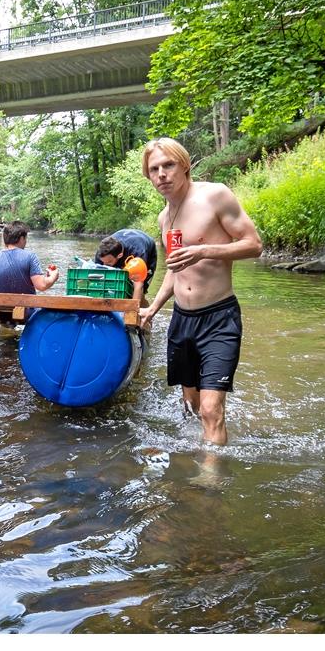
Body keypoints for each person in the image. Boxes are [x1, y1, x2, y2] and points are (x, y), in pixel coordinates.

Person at [137, 137, 262, 446]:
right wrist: (152, 309)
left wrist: (204, 250)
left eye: (169, 165)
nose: (162, 174)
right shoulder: (164, 216)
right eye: (154, 169)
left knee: (210, 409)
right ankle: (197, 451)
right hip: (182, 322)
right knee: (191, 406)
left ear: (185, 166)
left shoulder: (215, 196)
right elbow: (175, 270)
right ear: (148, 175)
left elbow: (254, 245)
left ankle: (209, 484)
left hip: (218, 316)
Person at [0, 221, 58, 305]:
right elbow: (42, 285)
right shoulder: (30, 257)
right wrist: (53, 277)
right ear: (22, 238)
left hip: (2, 311)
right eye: (25, 238)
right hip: (27, 311)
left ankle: (4, 323)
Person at [95, 228, 158, 306]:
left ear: (120, 255)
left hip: (145, 250)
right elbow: (97, 279)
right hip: (123, 242)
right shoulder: (102, 253)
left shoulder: (138, 251)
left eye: (108, 263)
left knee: (136, 290)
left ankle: (145, 311)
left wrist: (131, 312)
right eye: (103, 262)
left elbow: (138, 284)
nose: (104, 265)